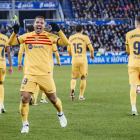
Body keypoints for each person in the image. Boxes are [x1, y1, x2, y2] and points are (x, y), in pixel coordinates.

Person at [8, 16, 69, 133]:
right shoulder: (27, 36)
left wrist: (59, 31)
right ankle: (25, 124)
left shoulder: (50, 36)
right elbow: (11, 43)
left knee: (53, 99)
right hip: (30, 73)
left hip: (45, 74)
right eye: (37, 22)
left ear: (44, 25)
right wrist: (14, 32)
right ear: (34, 24)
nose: (39, 24)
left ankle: (60, 113)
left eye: (41, 23)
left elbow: (66, 43)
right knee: (24, 98)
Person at [67, 24, 94, 101]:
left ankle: (72, 89)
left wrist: (73, 55)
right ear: (82, 30)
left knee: (74, 78)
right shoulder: (85, 37)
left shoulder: (71, 38)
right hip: (83, 59)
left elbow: (68, 50)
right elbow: (91, 49)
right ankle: (81, 96)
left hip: (75, 59)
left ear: (75, 30)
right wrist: (92, 55)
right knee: (83, 77)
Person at [18, 25, 40, 105]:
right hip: (38, 64)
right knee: (36, 81)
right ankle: (34, 99)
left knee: (27, 81)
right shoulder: (38, 39)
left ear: (27, 30)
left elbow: (20, 52)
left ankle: (29, 97)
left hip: (27, 65)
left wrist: (19, 63)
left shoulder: (25, 38)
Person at [40, 27, 61, 103]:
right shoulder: (51, 40)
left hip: (39, 62)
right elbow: (56, 53)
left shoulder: (38, 40)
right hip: (48, 62)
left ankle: (34, 98)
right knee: (48, 79)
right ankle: (43, 98)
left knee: (38, 79)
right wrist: (58, 61)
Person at [126, 16, 140, 115]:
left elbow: (128, 51)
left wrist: (131, 55)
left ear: (136, 23)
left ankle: (134, 107)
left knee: (133, 86)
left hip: (133, 62)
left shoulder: (129, 34)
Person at [0, 23, 13, 113]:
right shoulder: (5, 37)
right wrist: (11, 66)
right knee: (0, 84)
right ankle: (1, 105)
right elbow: (8, 52)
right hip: (2, 64)